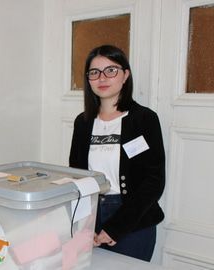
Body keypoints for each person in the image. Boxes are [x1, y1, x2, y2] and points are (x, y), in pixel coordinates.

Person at [69, 45, 165, 261]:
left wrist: (117, 227)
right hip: (91, 213)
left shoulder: (144, 119)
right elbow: (77, 176)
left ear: (125, 75)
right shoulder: (82, 123)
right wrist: (84, 223)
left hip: (133, 218)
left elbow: (154, 181)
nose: (102, 78)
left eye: (110, 70)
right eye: (94, 72)